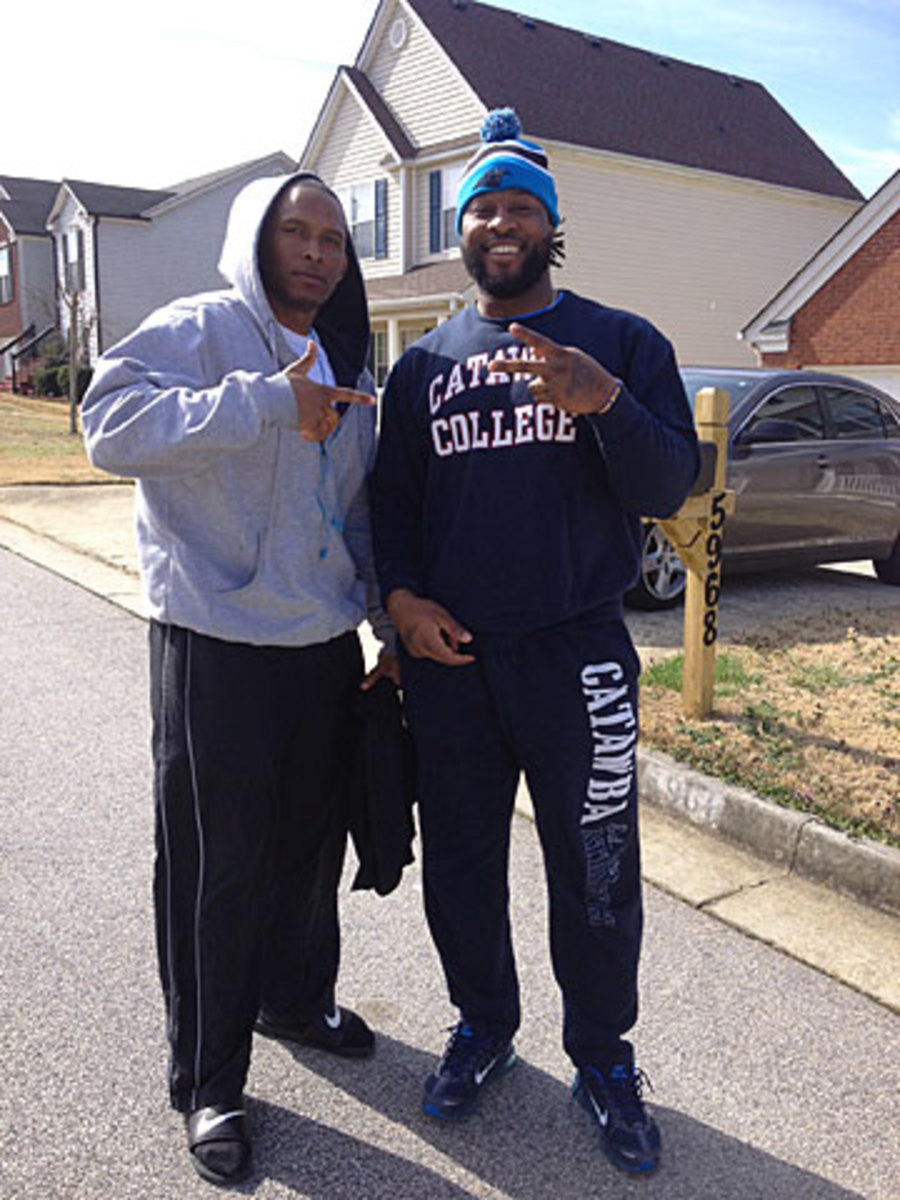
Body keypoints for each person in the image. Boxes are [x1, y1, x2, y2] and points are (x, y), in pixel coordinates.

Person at [372, 109, 699, 1176]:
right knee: (462, 861)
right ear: (461, 229)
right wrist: (400, 606)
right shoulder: (423, 367)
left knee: (597, 865)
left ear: (550, 228)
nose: (500, 222)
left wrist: (599, 400)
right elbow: (394, 509)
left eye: (521, 207)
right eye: (483, 206)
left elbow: (670, 485)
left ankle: (603, 1057)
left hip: (580, 652)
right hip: (455, 661)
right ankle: (485, 1027)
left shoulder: (622, 341)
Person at [81, 172, 398, 1186]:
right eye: (295, 233)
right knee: (217, 867)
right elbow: (107, 426)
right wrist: (264, 403)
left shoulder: (347, 360)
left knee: (310, 848)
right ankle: (209, 1080)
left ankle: (297, 1000)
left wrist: (385, 620)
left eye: (332, 241)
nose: (315, 253)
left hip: (319, 648)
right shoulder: (202, 328)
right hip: (213, 643)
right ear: (256, 240)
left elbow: (354, 514)